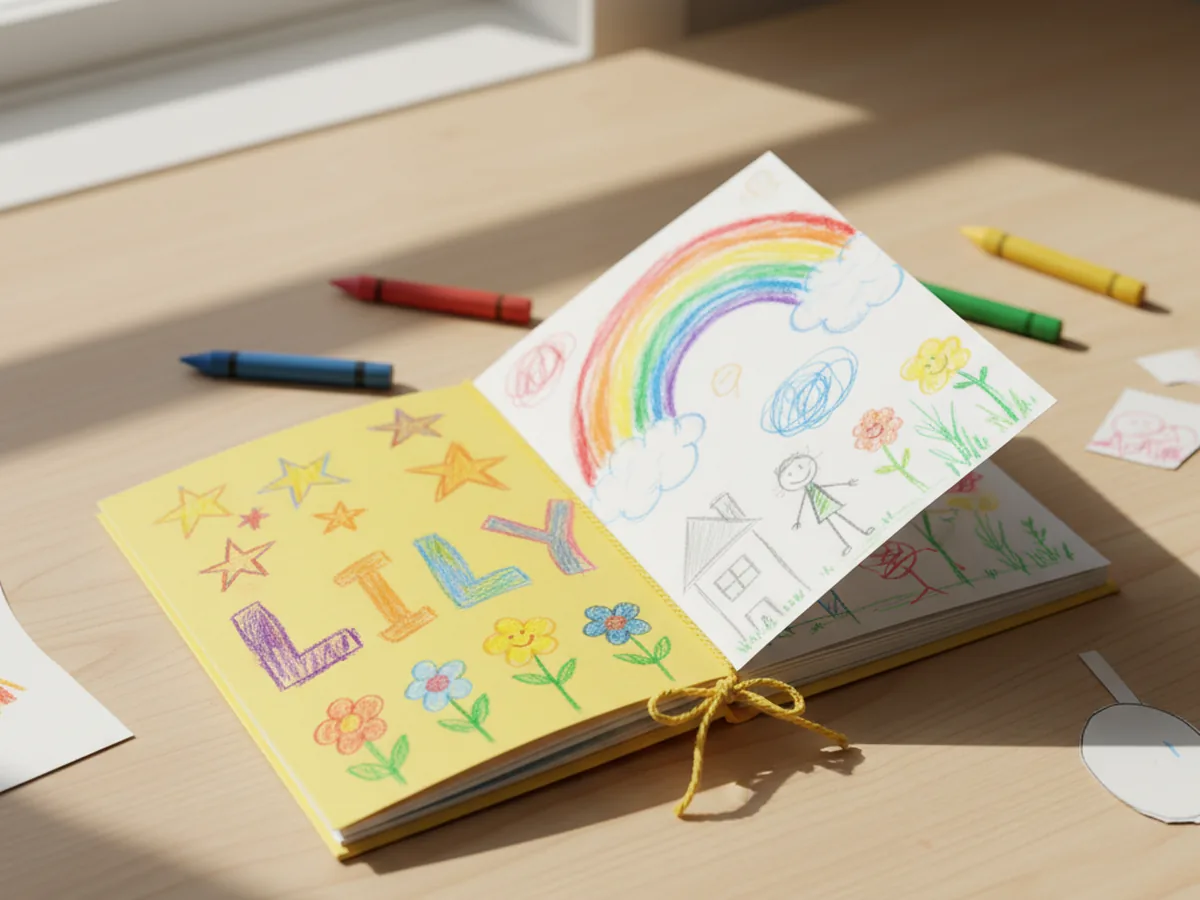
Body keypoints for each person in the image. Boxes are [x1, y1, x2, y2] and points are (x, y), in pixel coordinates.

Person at [775, 452, 874, 555]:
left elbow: (828, 486)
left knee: (842, 518)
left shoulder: (813, 487)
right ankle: (847, 544)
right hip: (820, 508)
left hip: (826, 503)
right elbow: (803, 503)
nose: (798, 474)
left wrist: (847, 483)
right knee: (834, 525)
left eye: (800, 467)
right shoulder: (807, 490)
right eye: (790, 475)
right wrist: (798, 520)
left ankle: (862, 532)